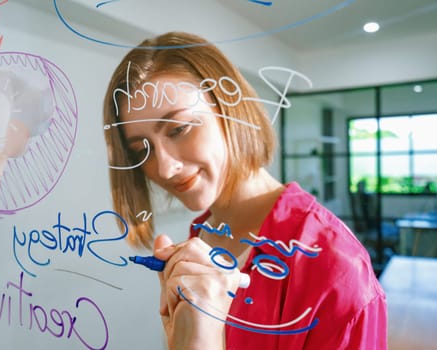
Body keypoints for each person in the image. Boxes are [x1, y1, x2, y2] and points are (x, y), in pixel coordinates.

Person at [102, 32, 387, 350]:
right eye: (142, 149)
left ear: (229, 110)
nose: (164, 168)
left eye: (178, 129)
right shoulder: (200, 236)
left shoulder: (335, 267)